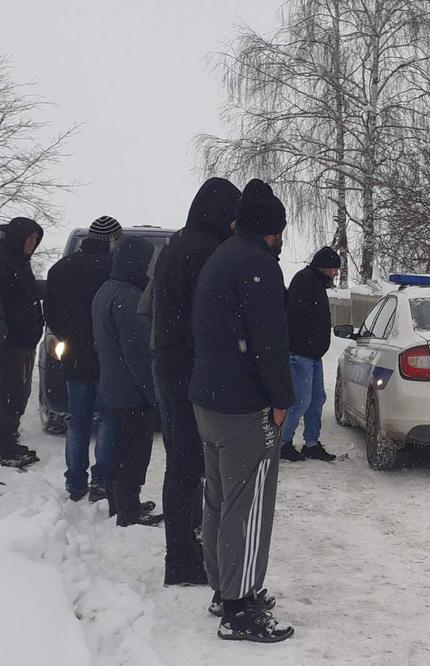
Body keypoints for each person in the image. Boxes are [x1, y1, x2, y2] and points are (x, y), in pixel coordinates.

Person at [189, 178, 294, 643]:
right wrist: (281, 399)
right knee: (247, 506)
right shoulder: (258, 265)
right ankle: (240, 607)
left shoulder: (220, 256)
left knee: (219, 500)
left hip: (208, 399)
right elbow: (270, 340)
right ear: (273, 231)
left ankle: (223, 589)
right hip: (243, 406)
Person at [152, 177, 241, 586]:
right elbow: (209, 320)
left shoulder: (178, 246)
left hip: (172, 366)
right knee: (189, 465)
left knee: (182, 464)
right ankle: (182, 558)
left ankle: (182, 549)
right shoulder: (205, 252)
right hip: (191, 370)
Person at [45, 216, 122, 500]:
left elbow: (50, 313)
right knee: (108, 419)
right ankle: (100, 480)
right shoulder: (115, 271)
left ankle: (75, 481)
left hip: (74, 356)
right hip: (108, 358)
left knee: (78, 421)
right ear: (112, 240)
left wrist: (67, 337)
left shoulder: (61, 269)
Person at [92, 236, 163, 527]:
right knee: (134, 452)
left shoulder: (106, 290)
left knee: (118, 448)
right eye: (147, 260)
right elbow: (138, 353)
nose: (149, 266)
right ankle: (129, 510)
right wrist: (153, 391)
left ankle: (118, 503)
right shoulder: (129, 296)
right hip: (132, 390)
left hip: (112, 385)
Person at [280, 246, 340, 462]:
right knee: (301, 401)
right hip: (300, 354)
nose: (335, 273)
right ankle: (282, 442)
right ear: (324, 267)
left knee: (316, 400)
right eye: (334, 269)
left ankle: (311, 443)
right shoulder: (305, 281)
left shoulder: (315, 283)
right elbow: (297, 317)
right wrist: (305, 343)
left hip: (313, 355)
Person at [0, 217, 44, 470]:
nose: (32, 243)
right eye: (29, 238)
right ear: (18, 237)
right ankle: (5, 448)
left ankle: (9, 440)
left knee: (18, 394)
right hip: (10, 344)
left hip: (23, 341)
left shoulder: (20, 263)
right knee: (9, 394)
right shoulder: (5, 263)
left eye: (36, 239)